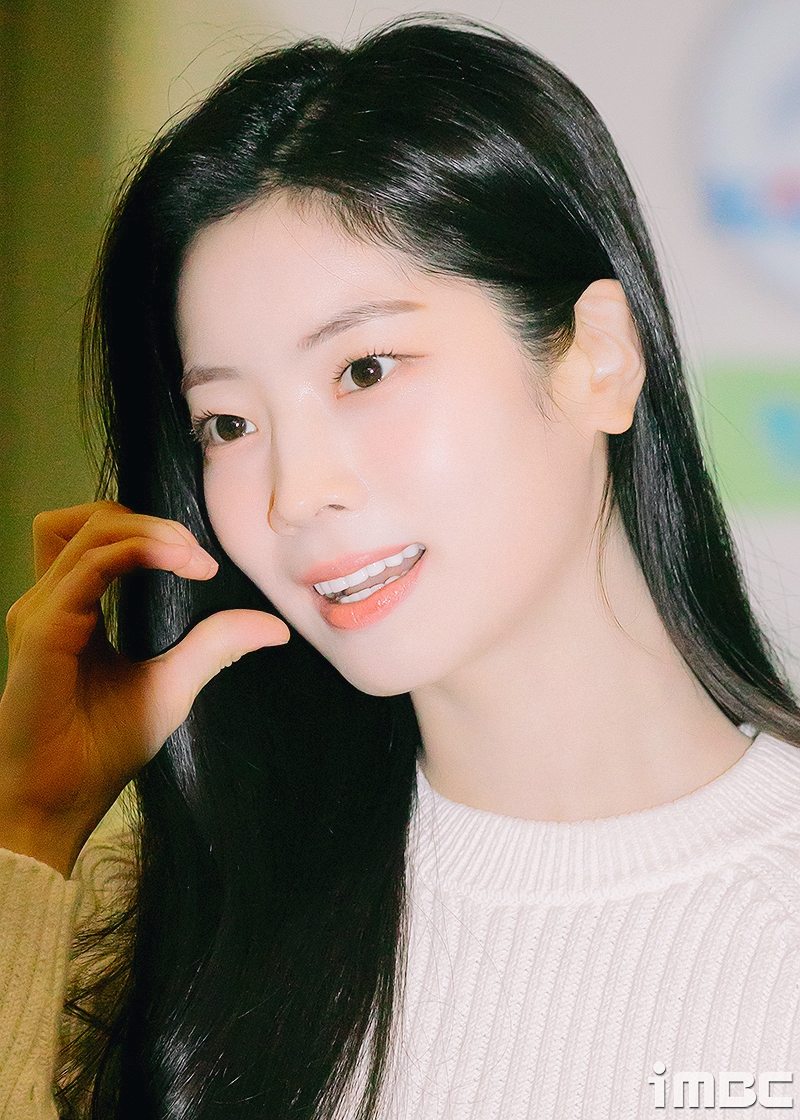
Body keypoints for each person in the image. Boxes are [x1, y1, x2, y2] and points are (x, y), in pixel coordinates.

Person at [1, 14, 800, 1119]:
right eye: (227, 423)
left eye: (364, 369)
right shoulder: (171, 925)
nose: (293, 493)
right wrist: (28, 829)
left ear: (598, 359)